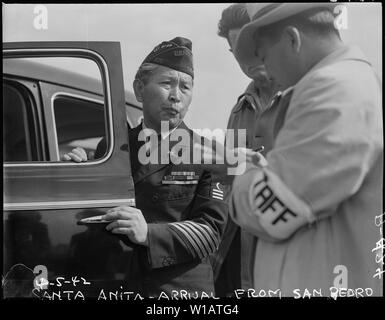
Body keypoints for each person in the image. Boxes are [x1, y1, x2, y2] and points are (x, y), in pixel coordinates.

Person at [230, 3, 383, 296]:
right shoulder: (340, 83)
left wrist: (244, 179)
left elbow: (273, 208)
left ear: (292, 39)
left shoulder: (336, 89)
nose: (266, 70)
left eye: (264, 57)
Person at [63, 37, 229, 297]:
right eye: (166, 83)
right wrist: (78, 176)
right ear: (140, 89)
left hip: (178, 291)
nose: (176, 96)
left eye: (185, 87)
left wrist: (148, 234)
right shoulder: (111, 148)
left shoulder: (211, 154)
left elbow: (210, 232)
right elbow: (95, 218)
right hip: (118, 283)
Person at [212, 3, 279, 296]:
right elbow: (228, 183)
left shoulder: (312, 98)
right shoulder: (240, 109)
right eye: (237, 48)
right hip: (242, 257)